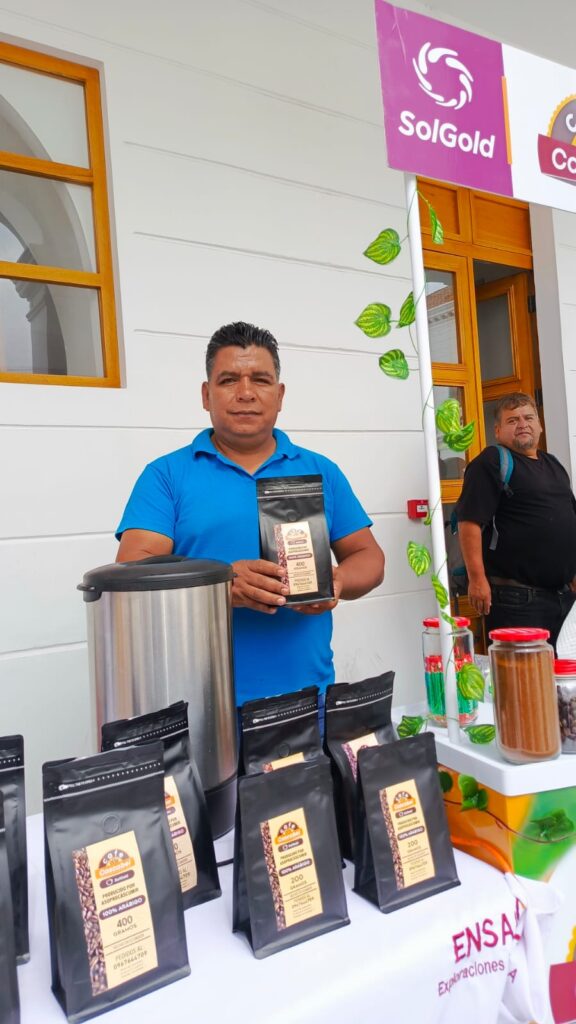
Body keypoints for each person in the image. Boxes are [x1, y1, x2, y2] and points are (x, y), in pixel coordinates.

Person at [116, 321, 385, 706]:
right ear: (206, 395)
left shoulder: (320, 471)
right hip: (199, 709)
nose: (245, 393)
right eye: (229, 380)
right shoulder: (166, 475)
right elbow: (132, 573)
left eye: (260, 379)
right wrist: (219, 584)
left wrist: (338, 580)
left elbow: (369, 557)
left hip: (307, 704)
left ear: (280, 394)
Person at [455, 392, 576, 649]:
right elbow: (469, 522)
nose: (522, 424)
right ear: (498, 431)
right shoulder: (491, 461)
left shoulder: (553, 464)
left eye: (528, 418)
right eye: (512, 420)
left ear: (540, 425)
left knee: (564, 671)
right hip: (517, 601)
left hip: (562, 598)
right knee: (522, 673)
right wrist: (477, 579)